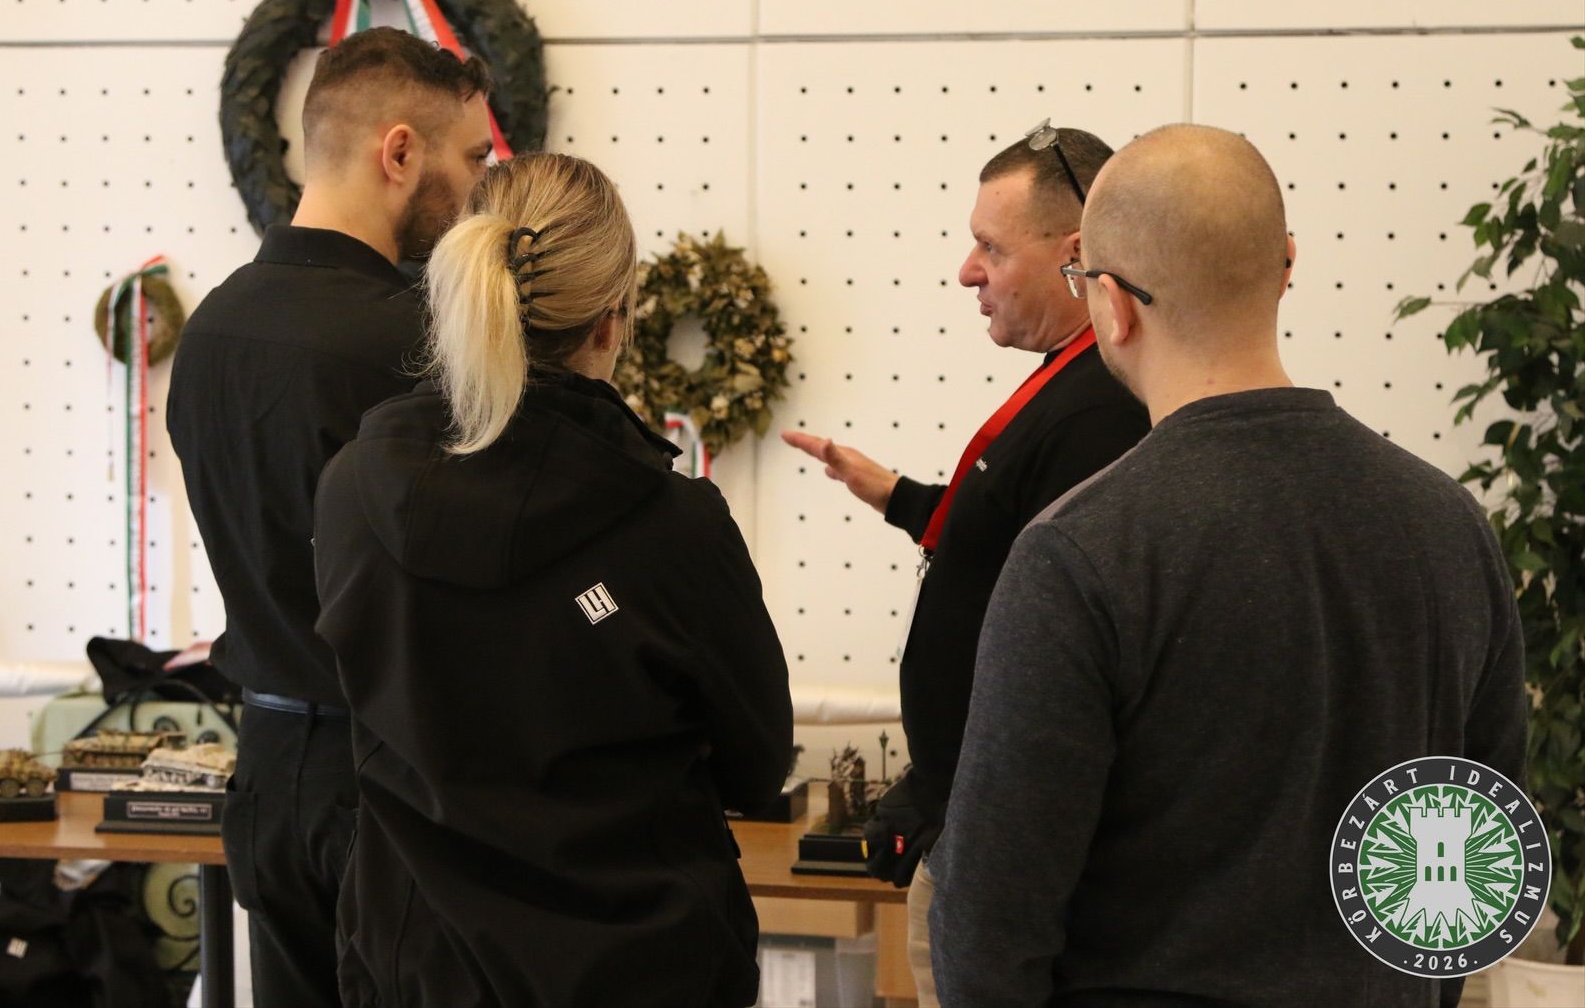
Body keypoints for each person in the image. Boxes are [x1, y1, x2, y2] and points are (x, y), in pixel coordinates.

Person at [929, 124, 1527, 1006]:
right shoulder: (1450, 525)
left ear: (1111, 305)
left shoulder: (1080, 552)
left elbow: (991, 922)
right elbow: (1479, 851)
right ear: (1286, 267)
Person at [311, 152, 795, 1008]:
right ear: (612, 321)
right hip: (641, 962)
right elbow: (756, 766)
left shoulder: (353, 486)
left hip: (421, 961)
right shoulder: (675, 525)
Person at [782, 124, 1149, 1004]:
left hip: (1002, 843)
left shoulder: (1099, 408)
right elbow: (1008, 533)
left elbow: (1059, 639)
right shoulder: (1071, 385)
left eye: (992, 248)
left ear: (1075, 255)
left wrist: (964, 809)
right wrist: (896, 495)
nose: (966, 272)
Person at [166, 27, 496, 1006]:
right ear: (400, 152)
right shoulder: (419, 340)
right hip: (395, 782)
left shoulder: (211, 329)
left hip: (268, 778)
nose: (480, 186)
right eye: (473, 157)